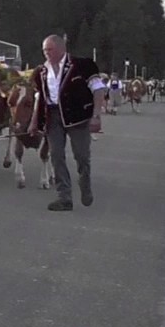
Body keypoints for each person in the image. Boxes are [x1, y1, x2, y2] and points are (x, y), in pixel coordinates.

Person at [28, 34, 105, 211]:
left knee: (82, 156)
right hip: (53, 116)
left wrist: (96, 115)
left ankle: (84, 182)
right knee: (56, 155)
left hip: (78, 117)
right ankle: (64, 197)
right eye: (44, 50)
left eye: (50, 49)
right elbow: (40, 98)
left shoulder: (83, 65)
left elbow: (98, 89)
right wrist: (34, 122)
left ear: (62, 49)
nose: (46, 53)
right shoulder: (41, 71)